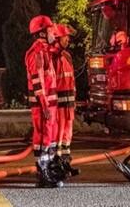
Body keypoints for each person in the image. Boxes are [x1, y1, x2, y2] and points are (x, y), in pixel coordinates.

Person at [25, 15, 61, 188]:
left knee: (50, 137)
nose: (53, 32)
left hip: (50, 105)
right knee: (42, 137)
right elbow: (37, 81)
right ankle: (42, 171)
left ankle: (50, 170)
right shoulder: (37, 52)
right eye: (50, 29)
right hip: (42, 106)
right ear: (42, 33)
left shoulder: (45, 51)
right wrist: (45, 104)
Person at [51, 23, 80, 179]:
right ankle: (56, 162)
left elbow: (72, 79)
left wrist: (74, 99)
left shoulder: (67, 56)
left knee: (67, 133)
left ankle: (66, 161)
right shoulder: (52, 56)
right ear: (57, 38)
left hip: (69, 102)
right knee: (58, 132)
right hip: (58, 103)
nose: (68, 40)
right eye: (65, 37)